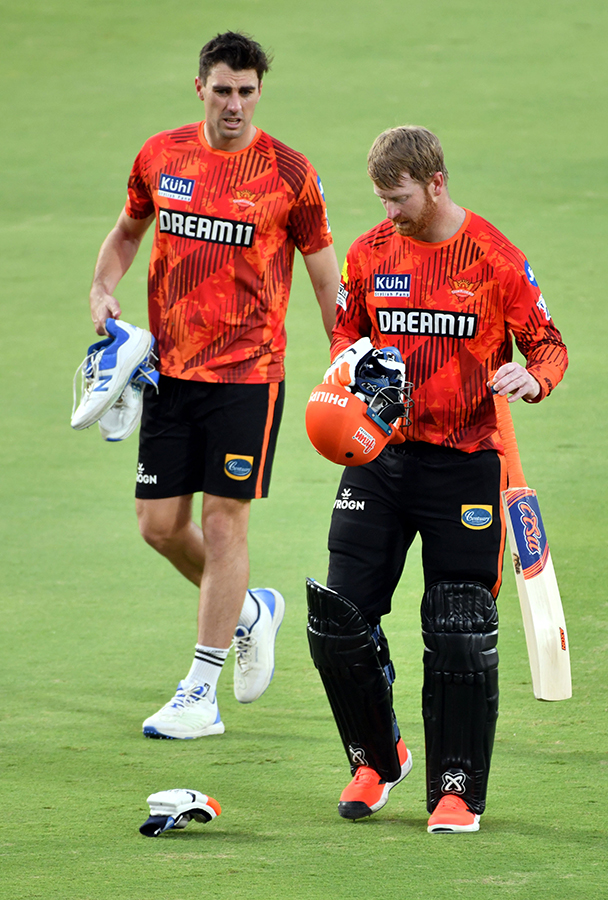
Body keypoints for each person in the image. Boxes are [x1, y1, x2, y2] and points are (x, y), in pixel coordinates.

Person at [305, 126, 567, 833]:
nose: (388, 211)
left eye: (399, 197)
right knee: (338, 623)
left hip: (466, 465)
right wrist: (352, 372)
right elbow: (345, 333)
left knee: (458, 626)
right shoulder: (368, 254)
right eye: (381, 198)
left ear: (436, 183)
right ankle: (376, 757)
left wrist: (531, 379)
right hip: (380, 459)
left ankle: (456, 790)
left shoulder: (494, 258)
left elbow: (548, 344)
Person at [88, 32, 339, 739]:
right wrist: (103, 288)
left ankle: (200, 689)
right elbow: (127, 232)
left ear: (261, 91)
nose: (234, 103)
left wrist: (346, 359)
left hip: (247, 377)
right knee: (158, 525)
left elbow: (324, 277)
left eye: (247, 91)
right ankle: (251, 612)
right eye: (223, 89)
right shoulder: (161, 155)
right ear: (199, 86)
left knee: (227, 521)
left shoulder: (290, 174)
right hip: (168, 370)